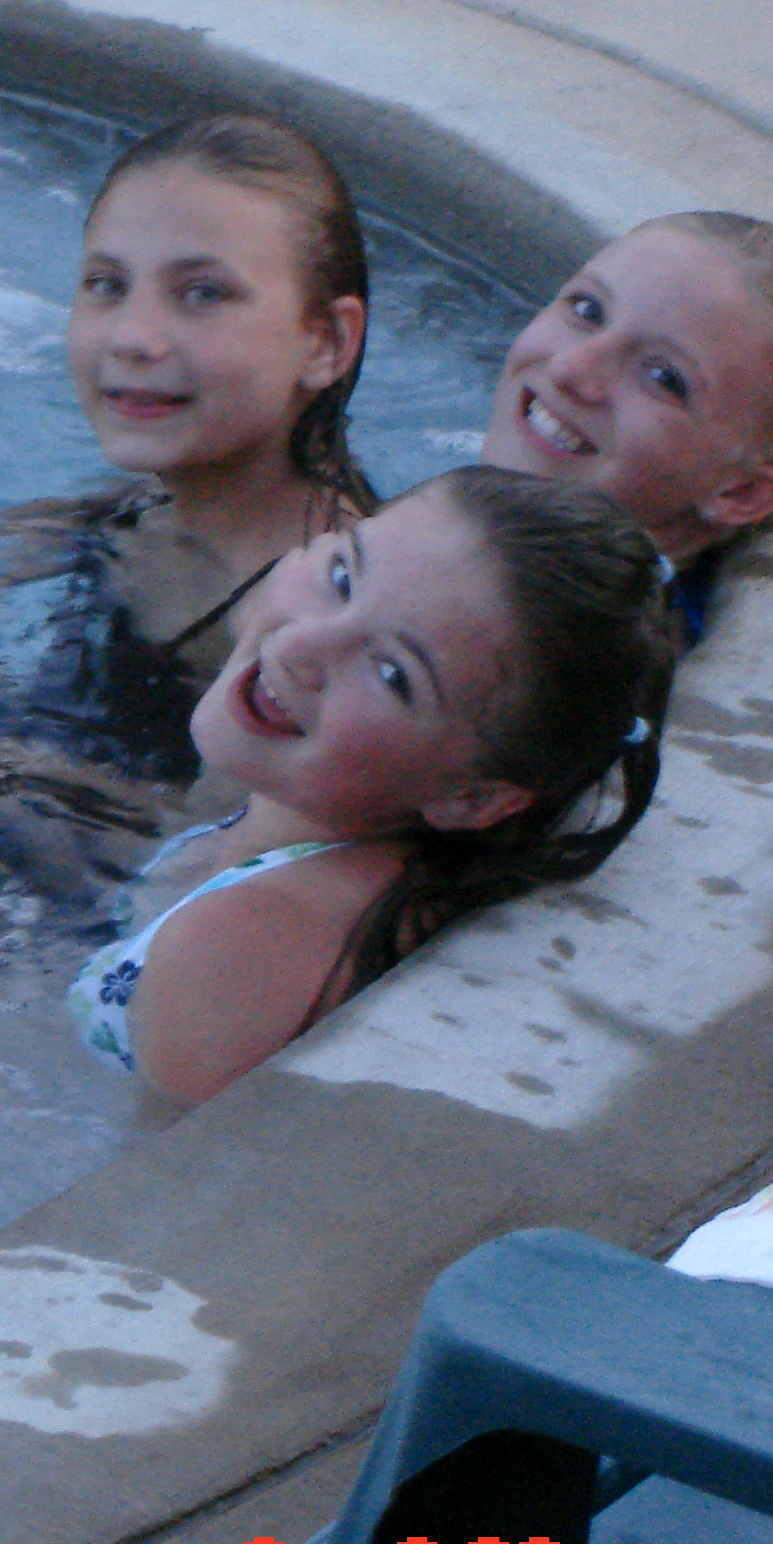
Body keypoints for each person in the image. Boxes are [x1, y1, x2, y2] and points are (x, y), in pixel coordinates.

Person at [68, 465, 674, 1106]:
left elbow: (160, 1151)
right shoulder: (339, 829)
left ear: (472, 798)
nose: (303, 643)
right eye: (342, 578)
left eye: (393, 673)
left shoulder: (240, 948)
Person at [0, 113, 372, 786]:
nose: (132, 337)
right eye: (108, 285)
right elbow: (78, 522)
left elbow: (230, 837)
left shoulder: (306, 622)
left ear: (326, 343)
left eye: (203, 293)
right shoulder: (168, 498)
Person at [481, 211, 773, 639]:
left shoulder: (574, 648)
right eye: (587, 309)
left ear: (741, 491)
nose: (569, 368)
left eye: (663, 377)